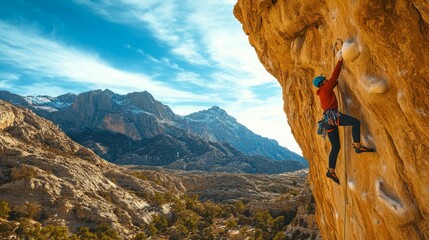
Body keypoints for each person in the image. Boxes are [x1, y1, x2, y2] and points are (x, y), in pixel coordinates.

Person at [313, 51, 375, 184]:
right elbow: (334, 77)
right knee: (356, 122)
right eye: (325, 80)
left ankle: (331, 171)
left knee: (336, 147)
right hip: (333, 116)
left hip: (327, 121)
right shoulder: (325, 89)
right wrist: (340, 61)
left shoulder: (323, 91)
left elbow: (333, 83)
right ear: (322, 82)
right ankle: (358, 146)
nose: (327, 80)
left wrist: (333, 83)